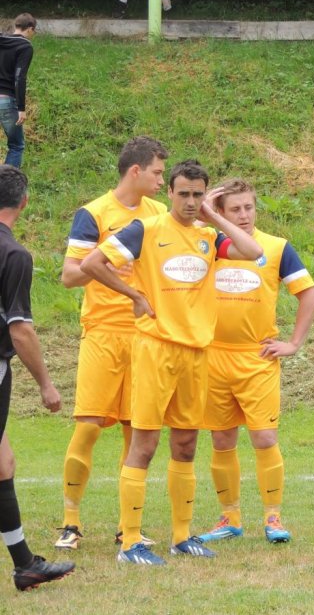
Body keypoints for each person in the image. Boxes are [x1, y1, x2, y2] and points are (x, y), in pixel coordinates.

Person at [80, 159, 263, 565]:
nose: (191, 202)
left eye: (198, 195)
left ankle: (181, 536)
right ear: (170, 194)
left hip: (196, 353)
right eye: (184, 194)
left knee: (185, 443)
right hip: (156, 350)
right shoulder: (146, 230)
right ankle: (130, 542)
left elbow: (253, 251)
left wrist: (215, 216)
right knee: (144, 445)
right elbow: (92, 264)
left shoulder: (208, 237)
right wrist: (135, 295)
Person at [54, 136, 168, 552]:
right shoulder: (95, 213)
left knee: (135, 431)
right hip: (102, 332)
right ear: (135, 171)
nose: (161, 180)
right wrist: (108, 261)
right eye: (157, 172)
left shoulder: (159, 215)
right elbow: (70, 275)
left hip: (146, 335)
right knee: (88, 426)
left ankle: (127, 527)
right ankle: (70, 522)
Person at [196, 178, 314, 546]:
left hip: (257, 358)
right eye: (234, 209)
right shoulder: (208, 244)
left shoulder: (277, 247)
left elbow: (309, 294)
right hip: (213, 356)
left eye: (248, 207)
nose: (244, 215)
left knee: (264, 437)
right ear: (221, 212)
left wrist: (293, 343)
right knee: (221, 439)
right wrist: (205, 211)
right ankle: (229, 517)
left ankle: (272, 517)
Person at [0, 165, 75, 591]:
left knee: (3, 463)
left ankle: (25, 564)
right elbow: (20, 330)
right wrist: (46, 384)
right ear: (24, 202)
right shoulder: (14, 255)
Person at [0, 13, 35, 169]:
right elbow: (19, 77)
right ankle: (7, 182)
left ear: (16, 26)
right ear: (30, 29)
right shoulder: (25, 46)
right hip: (6, 100)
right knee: (16, 145)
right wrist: (21, 108)